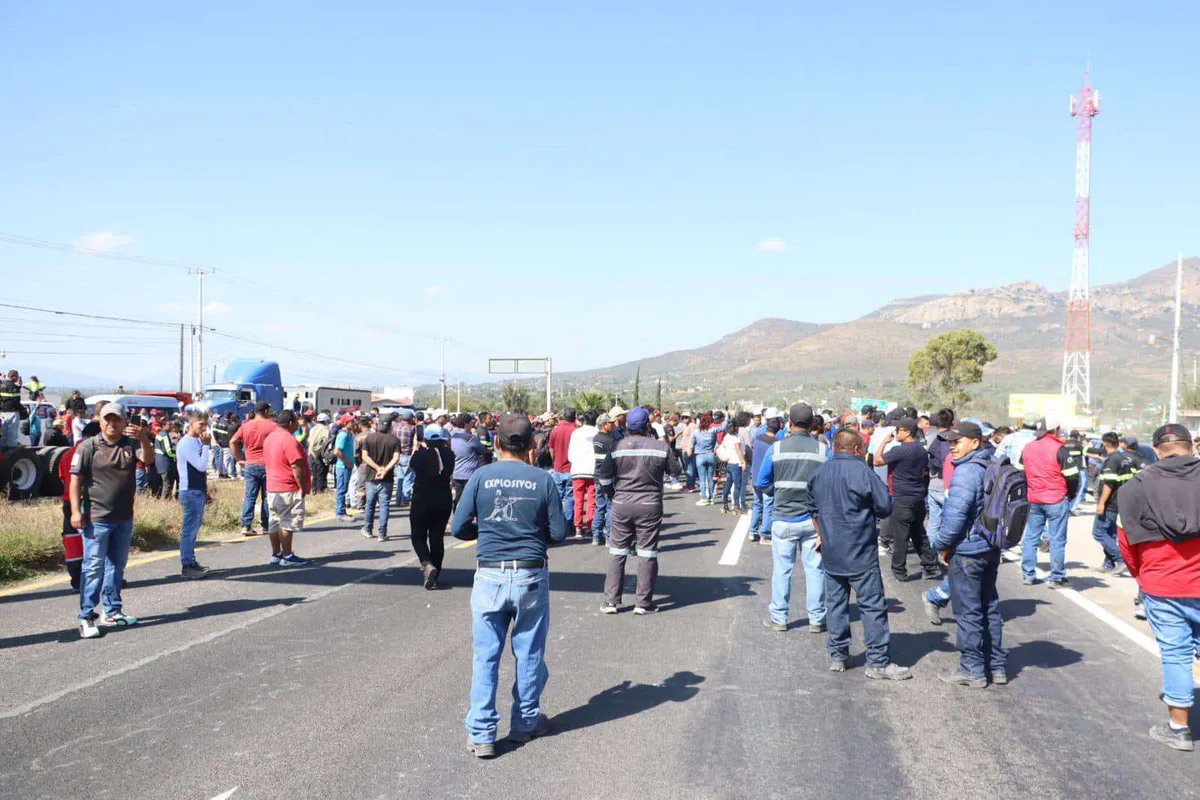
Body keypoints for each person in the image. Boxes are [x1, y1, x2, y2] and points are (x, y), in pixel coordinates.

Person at [451, 413, 568, 758]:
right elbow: (560, 533)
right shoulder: (542, 480)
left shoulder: (481, 476)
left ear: (497, 444)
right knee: (529, 651)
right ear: (532, 444)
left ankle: (483, 733)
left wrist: (485, 532)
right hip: (531, 574)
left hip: (489, 575)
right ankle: (525, 723)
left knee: (486, 656)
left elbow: (459, 527)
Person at [1117, 424, 1200, 751]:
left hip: (1161, 584)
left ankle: (1179, 729)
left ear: (1156, 449)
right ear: (1191, 446)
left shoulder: (1134, 488)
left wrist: (1142, 576)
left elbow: (1125, 543)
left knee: (1176, 654)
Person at [809, 429, 910, 680]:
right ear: (856, 449)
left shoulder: (819, 473)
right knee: (872, 606)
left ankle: (838, 655)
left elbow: (812, 509)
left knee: (836, 605)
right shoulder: (864, 473)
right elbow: (885, 506)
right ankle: (877, 662)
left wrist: (821, 535)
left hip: (831, 552)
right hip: (860, 552)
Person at [926, 421, 1007, 688]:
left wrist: (942, 545)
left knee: (968, 611)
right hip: (990, 548)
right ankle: (996, 666)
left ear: (974, 443)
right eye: (950, 443)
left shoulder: (965, 472)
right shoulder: (993, 464)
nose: (952, 447)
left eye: (957, 442)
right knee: (990, 608)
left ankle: (972, 669)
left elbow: (955, 516)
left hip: (968, 552)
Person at [70, 403, 155, 638]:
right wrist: (76, 512)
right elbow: (75, 481)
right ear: (100, 421)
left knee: (116, 567)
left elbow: (148, 460)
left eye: (116, 419)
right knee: (93, 568)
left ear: (124, 421)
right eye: (107, 419)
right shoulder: (88, 447)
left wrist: (144, 438)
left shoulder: (131, 444)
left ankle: (112, 611)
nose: (111, 423)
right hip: (96, 518)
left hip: (123, 518)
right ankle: (86, 617)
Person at [597, 407, 682, 615]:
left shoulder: (616, 446)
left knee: (617, 551)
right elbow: (676, 471)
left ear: (627, 426)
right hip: (649, 505)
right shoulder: (660, 447)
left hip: (621, 503)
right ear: (647, 426)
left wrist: (611, 494)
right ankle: (643, 603)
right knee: (647, 552)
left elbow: (604, 476)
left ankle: (610, 602)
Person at [756, 404, 826, 634]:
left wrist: (778, 494)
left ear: (789, 421)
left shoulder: (775, 449)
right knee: (815, 570)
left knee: (782, 570)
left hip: (783, 518)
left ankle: (779, 618)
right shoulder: (823, 451)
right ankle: (817, 619)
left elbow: (762, 482)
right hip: (813, 522)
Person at [1019, 415, 1081, 588]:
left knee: (1031, 537)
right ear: (1055, 430)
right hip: (1056, 499)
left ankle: (1028, 574)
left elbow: (1021, 471)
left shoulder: (1027, 448)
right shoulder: (1060, 449)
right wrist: (1071, 495)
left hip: (1034, 499)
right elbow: (1073, 477)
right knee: (1057, 539)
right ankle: (1056, 577)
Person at [874, 417, 938, 581]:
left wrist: (884, 442)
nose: (896, 432)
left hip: (903, 497)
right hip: (918, 497)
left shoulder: (900, 450)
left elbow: (877, 460)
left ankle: (899, 571)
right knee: (918, 533)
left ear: (907, 432)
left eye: (899, 430)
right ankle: (930, 566)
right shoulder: (922, 450)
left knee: (900, 536)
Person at [409, 423, 456, 588]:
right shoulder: (449, 454)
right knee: (437, 538)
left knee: (418, 536)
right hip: (442, 500)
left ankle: (427, 563)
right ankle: (436, 573)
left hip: (422, 499)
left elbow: (412, 466)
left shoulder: (420, 455)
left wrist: (418, 447)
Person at [263, 410, 310, 567]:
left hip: (272, 486)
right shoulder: (289, 440)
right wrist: (302, 486)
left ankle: (276, 554)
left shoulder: (270, 438)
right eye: (296, 421)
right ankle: (287, 556)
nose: (298, 424)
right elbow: (296, 466)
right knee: (287, 522)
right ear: (290, 423)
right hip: (287, 486)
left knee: (274, 521)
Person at [60, 420, 100, 590]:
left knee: (72, 541)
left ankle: (77, 580)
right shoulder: (96, 451)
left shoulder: (67, 453)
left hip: (69, 501)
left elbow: (63, 478)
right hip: (90, 501)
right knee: (96, 540)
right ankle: (98, 579)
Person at [1093, 431, 1141, 574]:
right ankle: (1108, 563)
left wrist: (1101, 503)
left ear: (1105, 444)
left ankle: (1120, 558)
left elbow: (1108, 484)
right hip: (1121, 503)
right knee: (1111, 534)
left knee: (1099, 533)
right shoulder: (1123, 458)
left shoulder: (1112, 459)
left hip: (1110, 504)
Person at [176, 410, 212, 580]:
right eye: (201, 425)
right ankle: (187, 564)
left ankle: (191, 560)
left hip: (197, 489)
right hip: (190, 490)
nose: (204, 428)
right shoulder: (186, 443)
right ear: (191, 424)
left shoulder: (196, 441)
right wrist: (206, 445)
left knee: (193, 529)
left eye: (206, 424)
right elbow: (201, 466)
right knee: (189, 530)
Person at [231, 401, 274, 536]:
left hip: (250, 464)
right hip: (268, 465)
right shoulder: (272, 426)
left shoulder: (246, 426)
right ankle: (266, 525)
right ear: (266, 411)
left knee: (250, 496)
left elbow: (232, 442)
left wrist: (239, 459)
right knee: (267, 497)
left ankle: (246, 525)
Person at [361, 413, 401, 541]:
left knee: (370, 504)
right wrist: (385, 469)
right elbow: (396, 457)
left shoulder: (369, 438)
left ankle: (368, 529)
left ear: (377, 425)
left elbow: (364, 456)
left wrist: (377, 468)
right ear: (390, 425)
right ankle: (382, 533)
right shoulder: (394, 440)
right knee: (384, 505)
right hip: (387, 477)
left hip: (371, 476)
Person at [567, 410, 600, 539]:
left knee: (578, 500)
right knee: (592, 499)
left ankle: (578, 528)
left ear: (584, 420)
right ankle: (591, 526)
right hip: (593, 470)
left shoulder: (576, 433)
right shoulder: (597, 433)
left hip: (578, 470)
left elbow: (570, 454)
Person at [748, 418, 781, 544]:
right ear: (778, 429)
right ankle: (765, 535)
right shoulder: (776, 444)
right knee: (768, 505)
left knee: (757, 504)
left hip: (755, 476)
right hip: (767, 479)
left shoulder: (757, 439)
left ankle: (753, 532)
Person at [451, 413, 490, 511]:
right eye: (471, 423)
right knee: (470, 500)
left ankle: (457, 518)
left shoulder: (452, 435)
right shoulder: (471, 438)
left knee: (458, 498)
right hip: (469, 475)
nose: (472, 425)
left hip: (456, 473)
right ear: (465, 424)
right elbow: (482, 450)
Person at [590, 413, 617, 546]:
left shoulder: (596, 438)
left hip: (597, 477)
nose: (613, 425)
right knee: (610, 507)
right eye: (611, 423)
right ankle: (608, 537)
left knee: (600, 507)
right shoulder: (610, 441)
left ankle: (596, 536)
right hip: (608, 478)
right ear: (604, 425)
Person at [547, 408, 577, 526]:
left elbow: (551, 449)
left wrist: (555, 462)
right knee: (570, 498)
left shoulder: (555, 431)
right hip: (571, 469)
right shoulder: (575, 431)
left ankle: (556, 523)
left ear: (563, 417)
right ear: (574, 418)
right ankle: (569, 523)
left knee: (557, 497)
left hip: (558, 469)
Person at [718, 415, 748, 514]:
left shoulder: (727, 436)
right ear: (735, 427)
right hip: (736, 463)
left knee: (728, 484)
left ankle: (724, 504)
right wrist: (743, 462)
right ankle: (736, 506)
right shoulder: (736, 437)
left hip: (729, 463)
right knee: (737, 485)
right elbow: (739, 451)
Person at [333, 415, 357, 521]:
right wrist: (347, 462)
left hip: (347, 466)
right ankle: (340, 513)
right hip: (343, 466)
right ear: (346, 423)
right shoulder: (343, 435)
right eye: (351, 421)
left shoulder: (349, 434)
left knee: (344, 489)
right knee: (341, 490)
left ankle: (342, 511)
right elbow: (337, 451)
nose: (354, 423)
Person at [692, 411, 719, 506]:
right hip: (711, 455)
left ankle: (704, 498)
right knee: (711, 478)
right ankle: (711, 498)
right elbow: (716, 442)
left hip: (700, 455)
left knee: (702, 479)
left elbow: (692, 444)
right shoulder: (712, 431)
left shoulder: (696, 432)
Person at [393, 409, 417, 506]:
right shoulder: (412, 428)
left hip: (398, 456)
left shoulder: (396, 428)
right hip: (408, 455)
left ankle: (398, 500)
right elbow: (415, 444)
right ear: (410, 419)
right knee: (408, 479)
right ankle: (405, 500)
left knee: (400, 479)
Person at [307, 412, 331, 493]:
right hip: (320, 453)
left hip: (311, 453)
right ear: (325, 421)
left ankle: (313, 489)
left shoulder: (313, 428)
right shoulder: (325, 429)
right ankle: (319, 490)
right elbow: (326, 442)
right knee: (321, 472)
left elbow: (309, 441)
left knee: (314, 472)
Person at [154, 421, 179, 500]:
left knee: (164, 484)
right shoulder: (164, 435)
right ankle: (164, 502)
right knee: (167, 484)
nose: (171, 426)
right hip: (165, 462)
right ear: (163, 425)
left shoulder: (159, 434)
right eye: (169, 425)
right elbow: (168, 451)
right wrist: (178, 454)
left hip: (159, 461)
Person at [0, 369, 24, 448]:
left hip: (2, 412)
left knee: (4, 432)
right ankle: (12, 449)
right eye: (17, 377)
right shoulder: (14, 387)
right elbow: (16, 401)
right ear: (13, 377)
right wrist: (23, 410)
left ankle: (2, 448)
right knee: (12, 433)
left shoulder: (2, 386)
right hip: (12, 412)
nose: (17, 378)